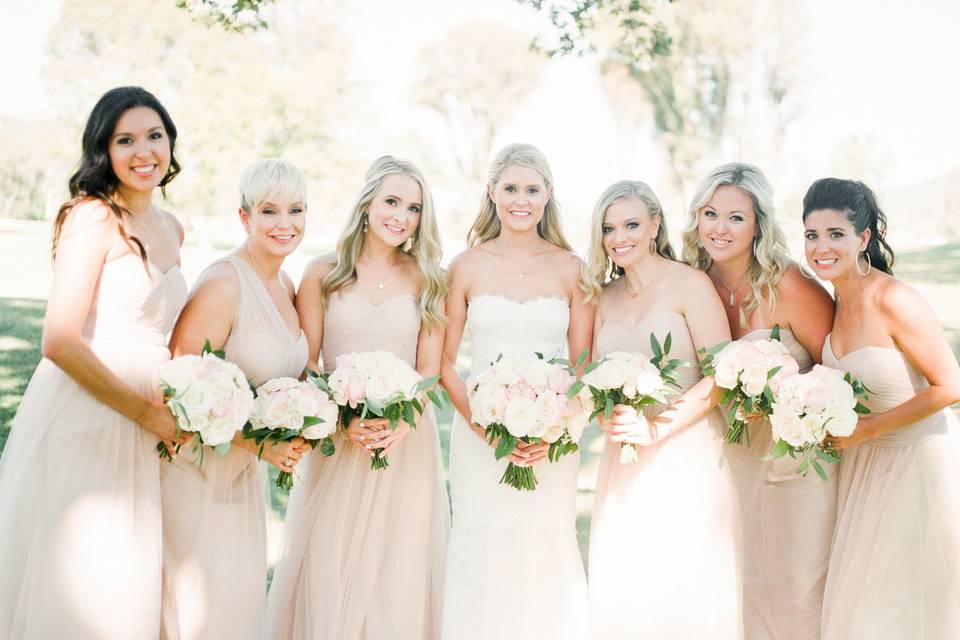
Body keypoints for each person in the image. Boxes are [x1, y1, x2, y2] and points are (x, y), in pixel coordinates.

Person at [0, 86, 188, 639]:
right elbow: (59, 340)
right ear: (103, 150)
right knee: (87, 577)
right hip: (89, 414)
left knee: (132, 579)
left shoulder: (174, 229)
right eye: (124, 139)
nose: (143, 151)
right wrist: (144, 413)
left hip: (152, 419)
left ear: (170, 143)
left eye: (154, 135)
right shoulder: (92, 217)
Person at [265, 156, 449, 639]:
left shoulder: (429, 277)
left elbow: (428, 371)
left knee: (397, 566)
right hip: (338, 441)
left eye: (413, 207)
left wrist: (398, 427)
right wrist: (345, 422)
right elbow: (308, 363)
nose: (401, 215)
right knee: (331, 557)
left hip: (406, 440)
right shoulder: (322, 272)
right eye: (392, 201)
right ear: (367, 203)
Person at [440, 143, 593, 640]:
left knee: (545, 542)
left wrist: (557, 429)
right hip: (478, 434)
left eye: (532, 189)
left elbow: (584, 364)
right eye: (510, 188)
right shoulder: (465, 266)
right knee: (481, 541)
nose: (520, 200)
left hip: (554, 440)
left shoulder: (572, 268)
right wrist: (482, 424)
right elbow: (444, 363)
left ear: (549, 195)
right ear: (491, 192)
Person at [682, 162, 835, 639]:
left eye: (735, 218)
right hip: (728, 460)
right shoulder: (691, 281)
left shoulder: (789, 283)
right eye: (710, 214)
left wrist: (791, 398)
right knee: (740, 585)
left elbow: (839, 372)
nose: (719, 228)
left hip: (798, 461)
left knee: (798, 585)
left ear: (757, 227)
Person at [802, 178, 960, 639]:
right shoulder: (834, 301)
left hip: (915, 468)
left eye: (836, 235)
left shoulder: (894, 298)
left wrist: (870, 429)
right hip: (863, 473)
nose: (821, 247)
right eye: (812, 235)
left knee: (899, 611)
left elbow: (950, 385)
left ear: (863, 238)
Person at [584, 179, 742, 638]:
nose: (620, 238)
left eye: (632, 224)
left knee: (683, 577)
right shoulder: (604, 296)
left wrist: (656, 430)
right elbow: (596, 382)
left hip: (686, 452)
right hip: (624, 457)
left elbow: (721, 376)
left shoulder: (688, 284)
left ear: (655, 224)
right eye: (609, 228)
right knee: (631, 578)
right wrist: (612, 418)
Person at [160, 159, 310, 639]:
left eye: (296, 210)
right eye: (269, 211)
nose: (284, 224)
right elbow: (178, 389)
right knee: (193, 612)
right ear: (244, 217)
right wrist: (257, 443)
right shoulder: (224, 283)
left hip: (244, 480)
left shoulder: (286, 285)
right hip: (197, 474)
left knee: (235, 609)